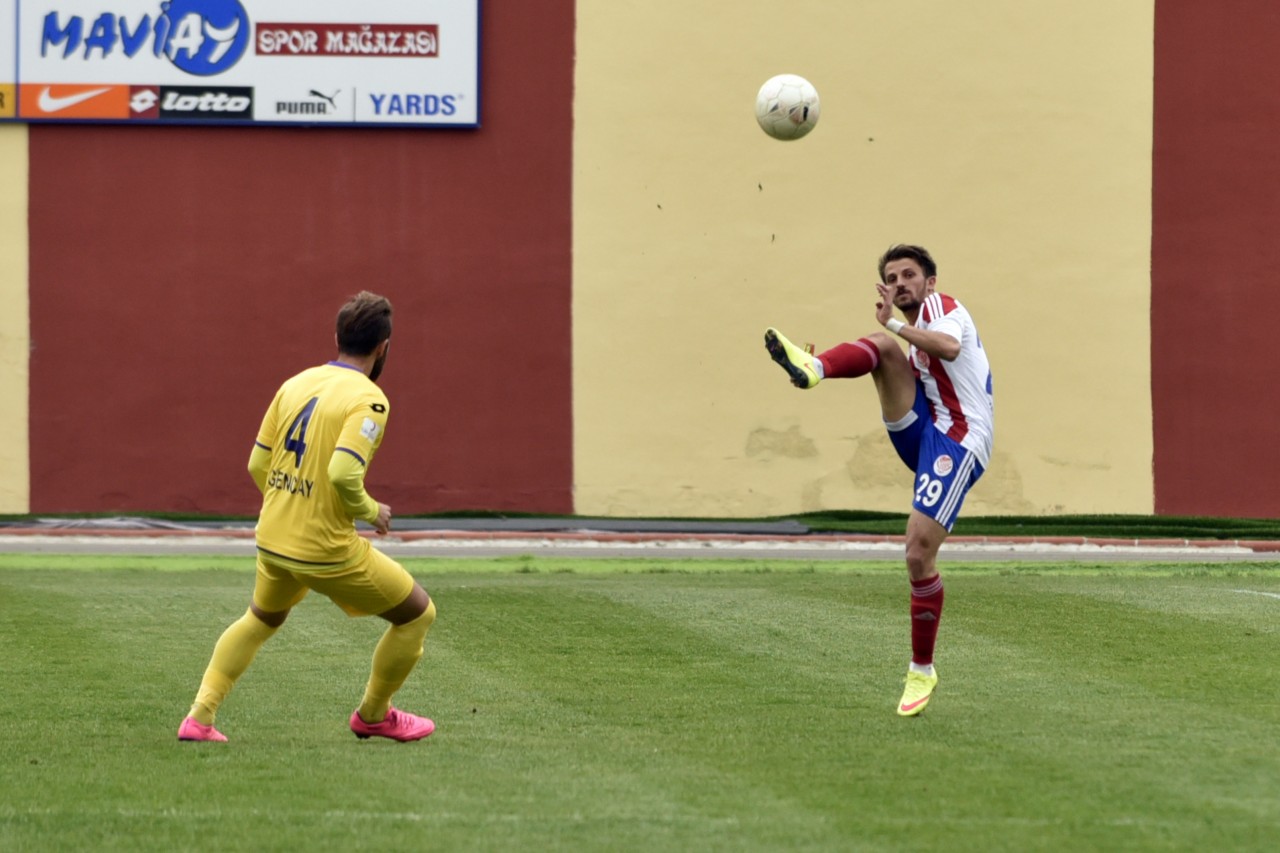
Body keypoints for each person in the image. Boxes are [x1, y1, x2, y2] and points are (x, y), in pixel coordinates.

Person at [178, 291, 437, 743]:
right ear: (384, 347)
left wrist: (291, 504)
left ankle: (199, 718)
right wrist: (372, 512)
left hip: (274, 538)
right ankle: (374, 715)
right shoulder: (370, 400)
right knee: (417, 614)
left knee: (260, 619)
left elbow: (257, 466)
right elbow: (342, 472)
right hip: (325, 548)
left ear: (336, 337)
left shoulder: (295, 383)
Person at [764, 244, 993, 717]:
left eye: (910, 275)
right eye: (891, 277)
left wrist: (894, 323)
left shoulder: (944, 308)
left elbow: (949, 348)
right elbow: (908, 347)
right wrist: (894, 329)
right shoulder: (910, 326)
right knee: (886, 348)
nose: (900, 283)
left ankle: (921, 669)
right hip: (925, 426)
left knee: (916, 552)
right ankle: (814, 368)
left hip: (959, 439)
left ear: (930, 282)